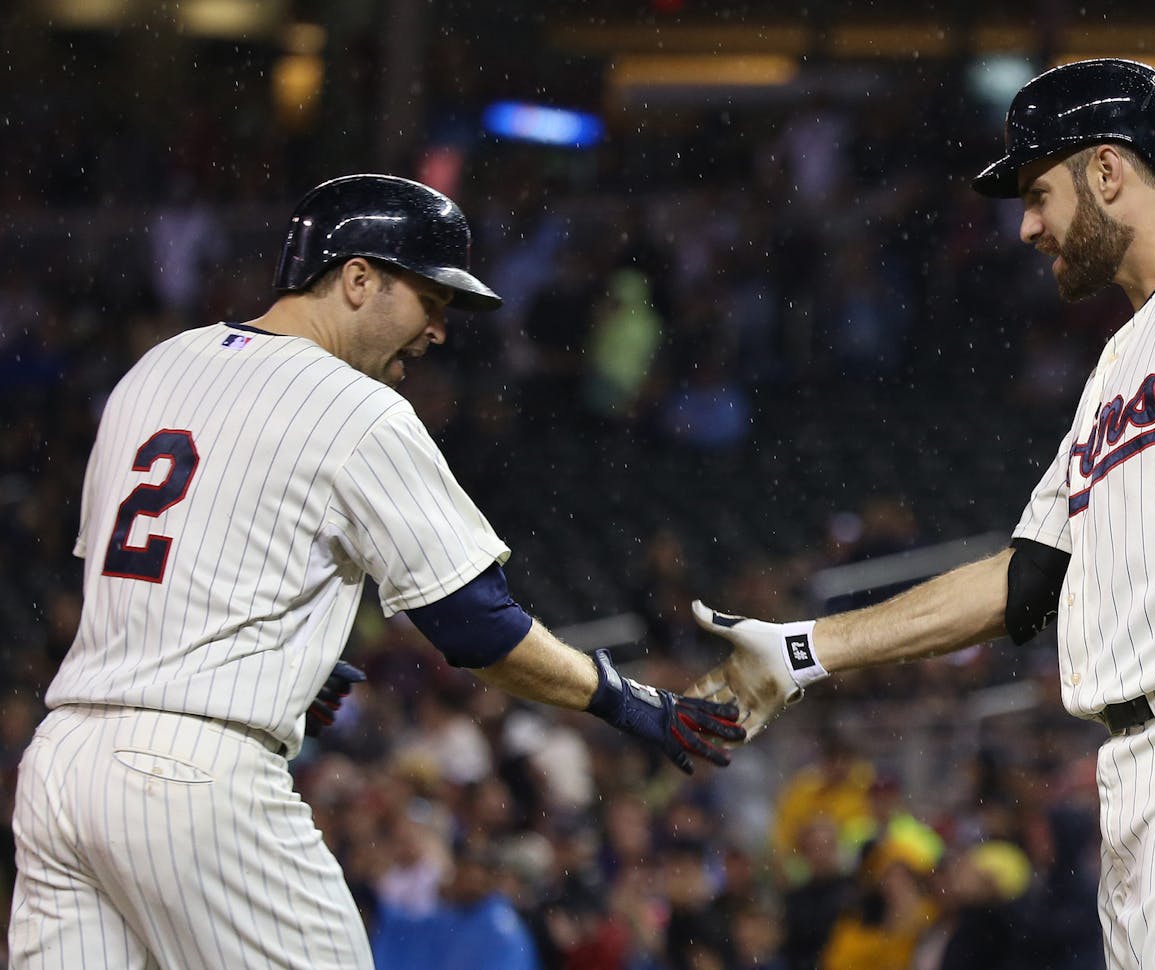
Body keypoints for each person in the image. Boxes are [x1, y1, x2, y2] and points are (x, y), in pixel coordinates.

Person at [687, 58, 1155, 970]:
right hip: (1142, 767)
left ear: (1107, 170)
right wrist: (810, 649)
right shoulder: (1117, 364)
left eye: (1038, 192)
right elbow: (1026, 577)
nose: (1026, 225)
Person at [7, 173, 744, 969]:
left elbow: (132, 584)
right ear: (357, 279)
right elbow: (476, 627)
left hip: (60, 769)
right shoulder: (354, 408)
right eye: (431, 301)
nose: (439, 331)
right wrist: (622, 698)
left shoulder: (155, 370)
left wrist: (279, 661)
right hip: (192, 780)